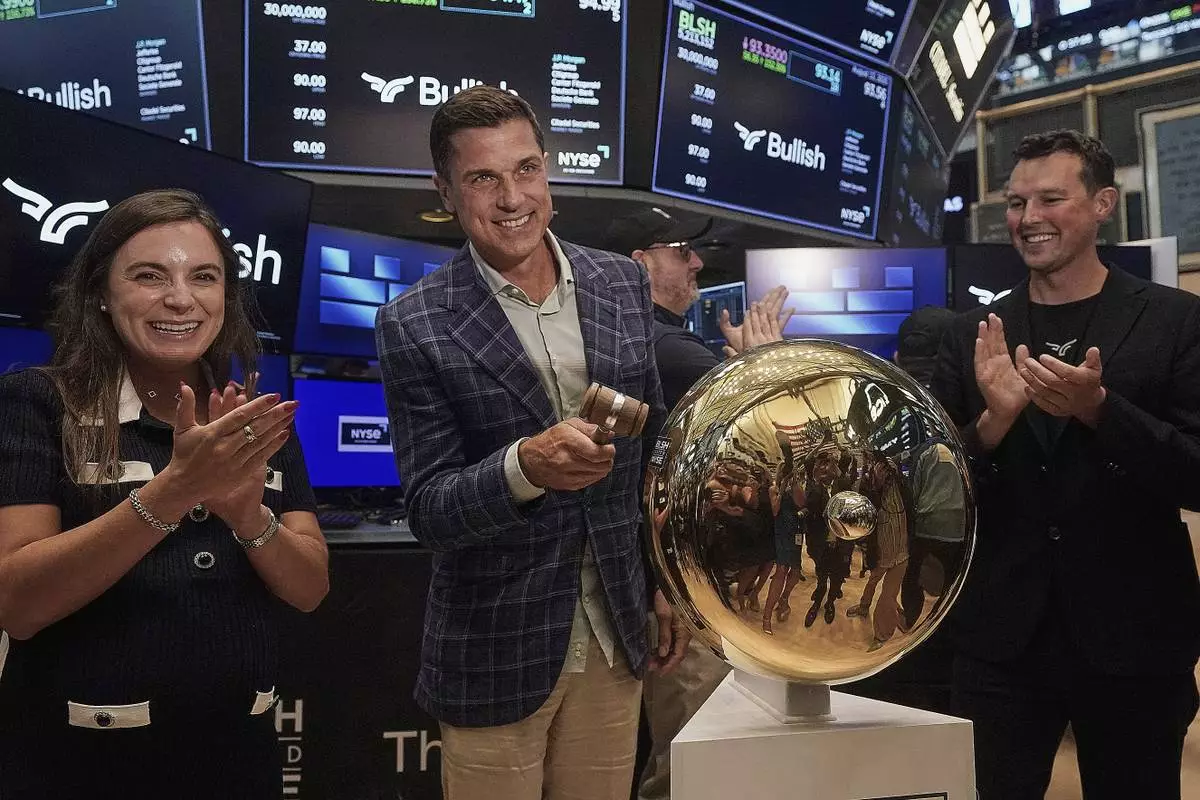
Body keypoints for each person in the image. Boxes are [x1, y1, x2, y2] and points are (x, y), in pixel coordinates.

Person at [373, 86, 687, 800]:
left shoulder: (620, 284)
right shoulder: (414, 323)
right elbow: (428, 510)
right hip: (494, 646)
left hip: (615, 635)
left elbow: (656, 451)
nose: (512, 196)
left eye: (526, 170)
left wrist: (663, 583)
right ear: (446, 191)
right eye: (483, 178)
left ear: (547, 172)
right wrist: (525, 467)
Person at [0, 189, 329, 799]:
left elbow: (309, 589)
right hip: (79, 763)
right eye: (150, 276)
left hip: (237, 761)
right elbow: (18, 601)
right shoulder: (38, 404)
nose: (180, 298)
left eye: (203, 276)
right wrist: (173, 492)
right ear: (101, 292)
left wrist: (246, 513)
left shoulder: (252, 419)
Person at [931, 130, 1200, 799]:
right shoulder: (970, 336)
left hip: (1134, 638)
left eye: (1051, 197)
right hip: (999, 642)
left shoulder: (1176, 321)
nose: (1028, 218)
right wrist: (992, 424)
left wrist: (1101, 410)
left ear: (1103, 203)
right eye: (1018, 202)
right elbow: (930, 488)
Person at [600, 207, 791, 800]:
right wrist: (763, 366)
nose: (698, 262)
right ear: (641, 264)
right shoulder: (670, 350)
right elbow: (771, 437)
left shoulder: (632, 340)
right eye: (683, 250)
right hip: (688, 594)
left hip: (671, 586)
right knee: (695, 764)